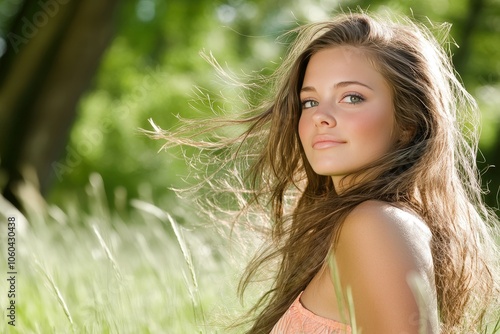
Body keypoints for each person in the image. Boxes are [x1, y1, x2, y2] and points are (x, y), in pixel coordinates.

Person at [151, 11, 499, 334]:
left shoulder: (377, 225)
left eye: (352, 98)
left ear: (408, 122)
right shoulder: (355, 226)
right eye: (310, 101)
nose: (320, 116)